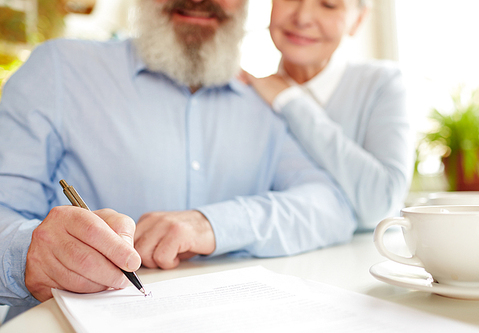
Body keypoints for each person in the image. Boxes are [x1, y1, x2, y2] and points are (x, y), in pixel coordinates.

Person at [0, 0, 357, 320]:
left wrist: (212, 224)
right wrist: (30, 252)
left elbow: (332, 206)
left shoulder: (265, 102)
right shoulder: (60, 69)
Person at [240, 0, 414, 230]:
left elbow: (380, 204)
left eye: (329, 4)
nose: (302, 18)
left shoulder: (382, 84)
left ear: (359, 19)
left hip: (366, 259)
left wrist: (291, 101)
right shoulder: (248, 94)